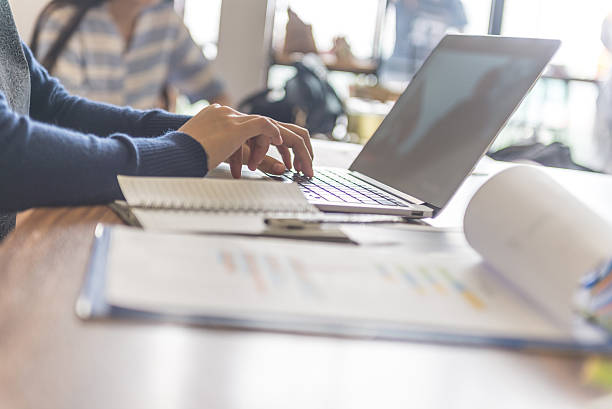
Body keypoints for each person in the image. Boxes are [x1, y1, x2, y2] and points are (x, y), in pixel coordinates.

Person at [0, 0, 313, 240]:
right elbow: (9, 153)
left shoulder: (164, 23)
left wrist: (212, 131)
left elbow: (54, 108)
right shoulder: (67, 20)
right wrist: (183, 151)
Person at [30, 0, 230, 110]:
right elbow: (62, 118)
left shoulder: (165, 21)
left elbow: (215, 91)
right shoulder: (63, 21)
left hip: (143, 165)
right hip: (83, 164)